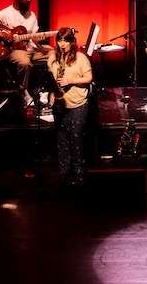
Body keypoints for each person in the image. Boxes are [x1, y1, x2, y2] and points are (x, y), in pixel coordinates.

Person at [0, 0, 54, 104]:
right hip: (14, 50)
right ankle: (23, 90)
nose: (29, 0)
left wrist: (42, 45)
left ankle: (49, 89)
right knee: (24, 62)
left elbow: (34, 37)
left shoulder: (32, 15)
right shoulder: (6, 13)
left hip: (30, 48)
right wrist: (1, 35)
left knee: (54, 53)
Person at [47, 27, 93, 189]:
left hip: (77, 104)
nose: (62, 44)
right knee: (62, 140)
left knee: (76, 138)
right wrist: (51, 93)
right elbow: (51, 78)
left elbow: (89, 78)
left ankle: (79, 175)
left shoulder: (80, 58)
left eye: (66, 41)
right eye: (60, 40)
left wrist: (70, 81)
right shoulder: (54, 57)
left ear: (72, 41)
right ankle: (64, 174)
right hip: (60, 104)